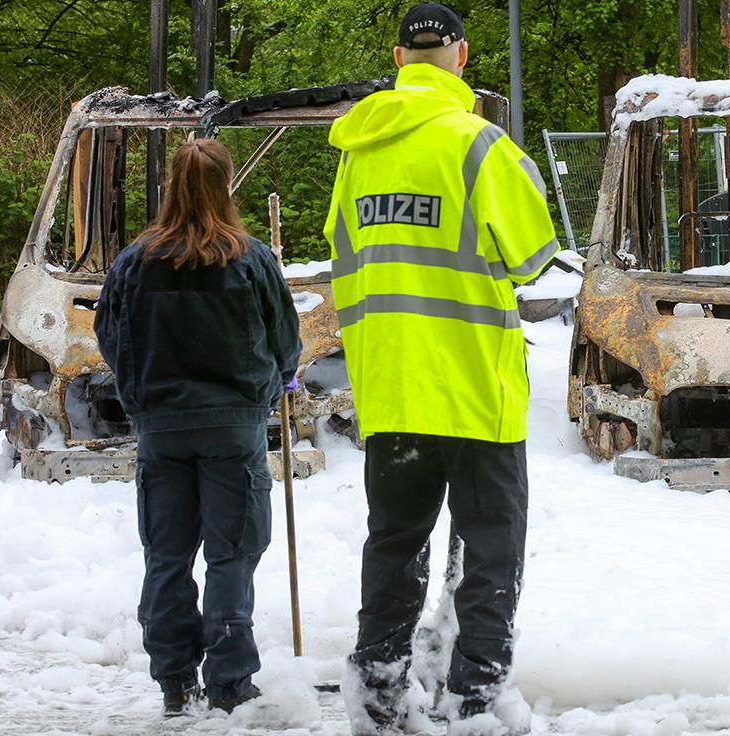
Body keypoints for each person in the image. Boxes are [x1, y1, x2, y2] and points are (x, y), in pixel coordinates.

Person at [323, 3, 558, 733]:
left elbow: (342, 252)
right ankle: (474, 703)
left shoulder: (357, 153)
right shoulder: (480, 146)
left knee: (393, 545)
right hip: (474, 390)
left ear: (399, 60)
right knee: (491, 549)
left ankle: (379, 699)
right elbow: (533, 257)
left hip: (392, 388)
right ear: (461, 56)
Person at [95, 138, 302, 717]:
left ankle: (174, 679)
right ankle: (230, 679)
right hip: (232, 427)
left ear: (172, 187)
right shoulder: (250, 258)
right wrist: (280, 379)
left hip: (161, 427)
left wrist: (141, 390)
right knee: (232, 553)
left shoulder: (134, 262)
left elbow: (109, 335)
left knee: (167, 555)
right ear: (225, 185)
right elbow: (285, 336)